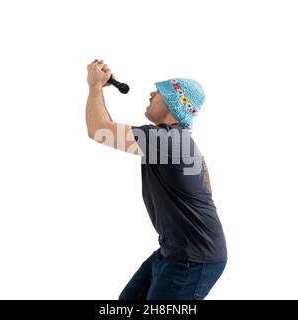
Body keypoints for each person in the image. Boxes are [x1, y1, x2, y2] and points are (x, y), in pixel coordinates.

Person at [86, 58, 228, 300]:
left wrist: (94, 86)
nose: (152, 93)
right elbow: (107, 127)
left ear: (175, 103)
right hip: (174, 253)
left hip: (192, 260)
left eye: (160, 91)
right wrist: (99, 88)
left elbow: (99, 131)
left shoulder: (168, 141)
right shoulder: (171, 139)